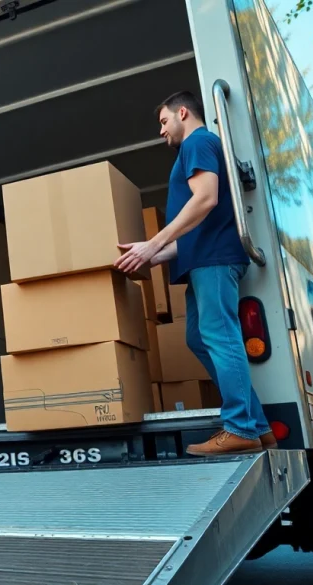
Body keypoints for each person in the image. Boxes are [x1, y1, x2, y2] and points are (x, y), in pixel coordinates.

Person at [114, 91, 276, 456]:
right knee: (198, 338)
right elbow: (196, 228)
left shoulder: (198, 142)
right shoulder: (196, 147)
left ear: (183, 113)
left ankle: (240, 427)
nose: (161, 131)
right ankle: (258, 427)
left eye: (164, 121)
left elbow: (205, 199)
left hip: (214, 260)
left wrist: (153, 243)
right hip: (204, 258)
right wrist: (152, 254)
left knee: (220, 336)